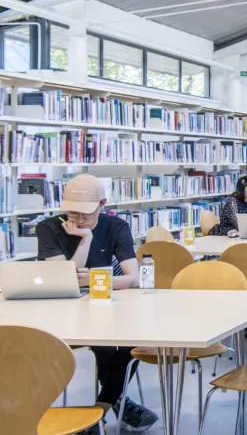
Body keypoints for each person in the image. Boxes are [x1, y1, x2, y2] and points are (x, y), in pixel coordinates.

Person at [36, 174, 159, 434]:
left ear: (102, 204)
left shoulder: (116, 226)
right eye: (72, 213)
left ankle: (100, 408)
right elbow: (65, 278)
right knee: (104, 346)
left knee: (133, 343)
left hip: (110, 305)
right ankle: (117, 404)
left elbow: (133, 278)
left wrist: (93, 279)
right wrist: (86, 239)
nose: (78, 220)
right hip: (66, 310)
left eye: (86, 215)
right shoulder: (48, 228)